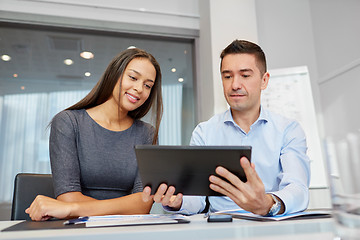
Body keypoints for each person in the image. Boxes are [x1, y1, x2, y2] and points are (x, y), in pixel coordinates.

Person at [143, 40, 310, 216]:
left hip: (270, 225)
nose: (235, 85)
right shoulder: (204, 132)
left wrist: (268, 203)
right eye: (227, 76)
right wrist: (178, 202)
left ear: (264, 80)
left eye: (245, 75)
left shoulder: (289, 130)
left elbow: (298, 189)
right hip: (220, 229)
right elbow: (197, 199)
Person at [26, 48, 162, 221]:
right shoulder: (68, 122)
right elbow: (67, 198)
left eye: (147, 85)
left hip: (126, 232)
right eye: (133, 78)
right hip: (78, 230)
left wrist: (73, 208)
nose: (139, 89)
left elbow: (143, 204)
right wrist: (127, 207)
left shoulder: (146, 133)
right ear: (114, 74)